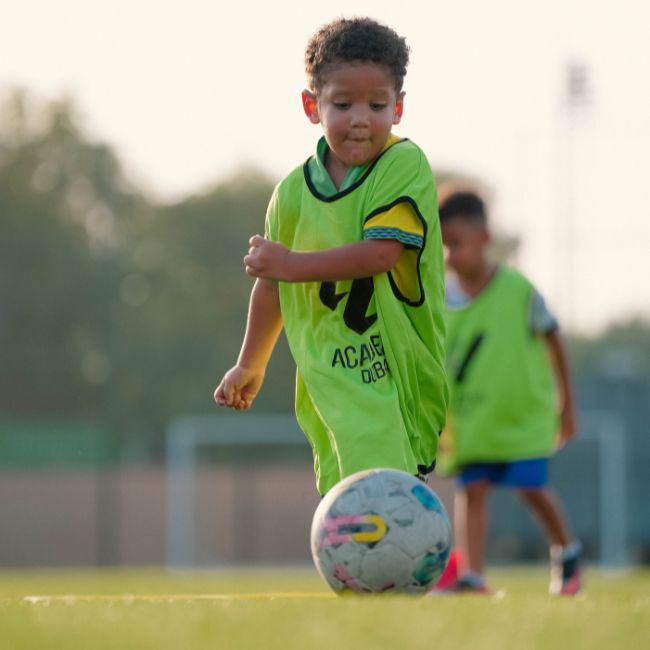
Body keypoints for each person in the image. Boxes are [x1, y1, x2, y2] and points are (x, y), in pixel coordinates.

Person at [214, 17, 448, 496]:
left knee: (386, 513)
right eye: (343, 104)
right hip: (327, 385)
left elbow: (380, 254)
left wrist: (288, 265)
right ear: (310, 105)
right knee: (355, 528)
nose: (360, 118)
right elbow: (272, 287)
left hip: (395, 379)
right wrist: (251, 364)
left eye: (377, 104)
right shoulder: (291, 194)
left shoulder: (402, 165)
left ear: (399, 107)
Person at [436, 189, 582, 595]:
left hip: (523, 416)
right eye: (443, 245)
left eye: (456, 244)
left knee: (531, 487)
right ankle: (474, 576)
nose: (449, 254)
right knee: (473, 490)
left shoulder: (518, 290)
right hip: (471, 420)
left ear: (484, 238)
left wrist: (567, 403)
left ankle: (567, 553)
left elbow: (555, 340)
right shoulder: (438, 298)